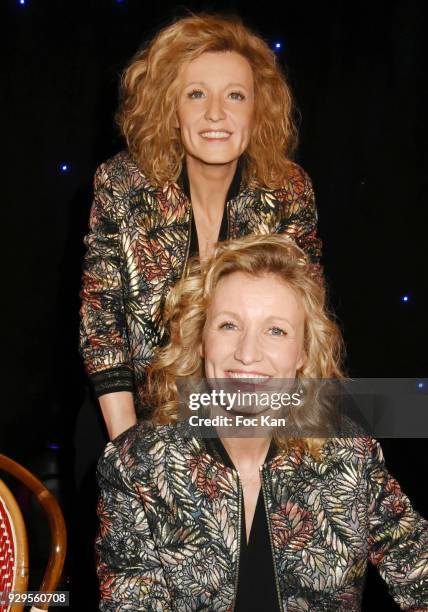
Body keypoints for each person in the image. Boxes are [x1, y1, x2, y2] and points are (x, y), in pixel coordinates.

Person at [96, 235, 428, 611]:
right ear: (201, 338)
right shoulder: (136, 464)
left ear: (302, 351)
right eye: (228, 326)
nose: (248, 354)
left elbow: (418, 567)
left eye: (276, 330)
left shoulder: (349, 450)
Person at [79, 12, 323, 441]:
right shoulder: (121, 183)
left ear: (257, 111)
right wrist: (131, 449)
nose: (215, 113)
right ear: (170, 111)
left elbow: (302, 320)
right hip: (129, 414)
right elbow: (101, 328)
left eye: (234, 96)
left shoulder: (289, 190)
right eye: (195, 94)